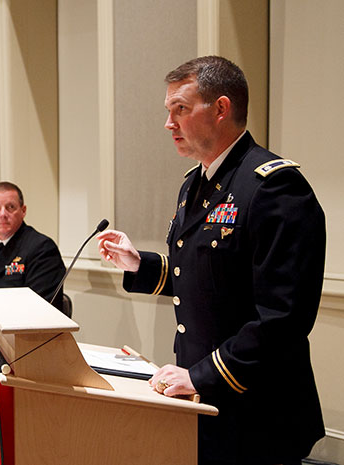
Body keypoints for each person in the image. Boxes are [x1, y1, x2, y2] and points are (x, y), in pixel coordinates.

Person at [97, 56, 325, 465]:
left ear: (221, 109)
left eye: (180, 109)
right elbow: (204, 275)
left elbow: (282, 318)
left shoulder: (274, 187)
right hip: (206, 400)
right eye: (168, 111)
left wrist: (200, 375)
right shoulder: (195, 184)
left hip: (257, 411)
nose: (169, 123)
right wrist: (140, 264)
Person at [0, 182, 66, 314]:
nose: (3, 214)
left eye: (10, 207)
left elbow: (39, 307)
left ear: (23, 210)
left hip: (18, 327)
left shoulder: (42, 248)